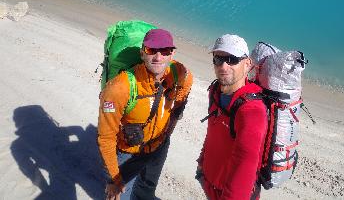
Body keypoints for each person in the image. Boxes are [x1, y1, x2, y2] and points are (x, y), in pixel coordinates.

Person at [98, 29, 193, 200]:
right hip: (128, 153)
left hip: (159, 144)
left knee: (147, 188)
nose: (158, 57)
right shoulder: (119, 88)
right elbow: (106, 138)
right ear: (142, 53)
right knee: (121, 194)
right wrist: (115, 178)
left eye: (165, 51)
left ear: (172, 54)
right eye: (151, 50)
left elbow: (180, 101)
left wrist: (168, 133)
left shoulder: (180, 74)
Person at [197, 34, 267, 200]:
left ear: (247, 64)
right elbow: (212, 133)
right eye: (218, 59)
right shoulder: (215, 92)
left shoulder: (252, 111)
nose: (224, 66)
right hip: (210, 183)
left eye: (232, 59)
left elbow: (245, 165)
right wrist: (202, 161)